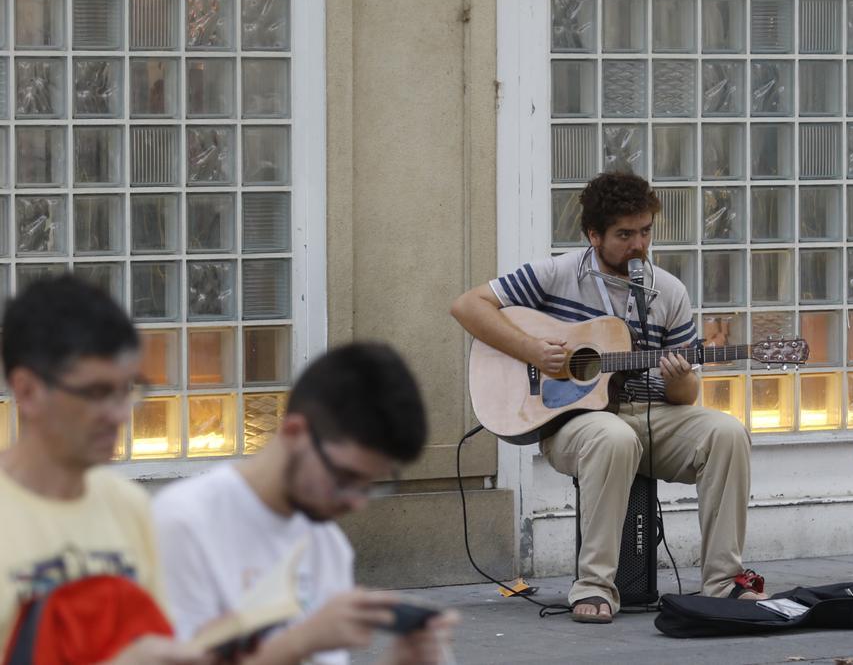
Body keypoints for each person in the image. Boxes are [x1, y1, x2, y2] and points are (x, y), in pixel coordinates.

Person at [451, 171, 763, 623]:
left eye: (645, 231)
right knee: (612, 435)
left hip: (649, 414)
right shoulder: (558, 273)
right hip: (573, 424)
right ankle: (594, 586)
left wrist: (678, 378)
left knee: (727, 433)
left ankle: (721, 582)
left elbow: (685, 395)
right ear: (594, 235)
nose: (638, 244)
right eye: (624, 234)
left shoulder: (668, 291)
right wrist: (535, 350)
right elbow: (467, 305)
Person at [152, 343, 455, 664]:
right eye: (344, 477)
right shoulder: (182, 522)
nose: (356, 502)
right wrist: (301, 640)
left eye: (370, 485)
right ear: (295, 432)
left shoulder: (327, 543)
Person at [0, 275, 205, 664]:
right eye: (96, 392)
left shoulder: (129, 506)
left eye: (126, 389)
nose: (119, 415)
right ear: (26, 391)